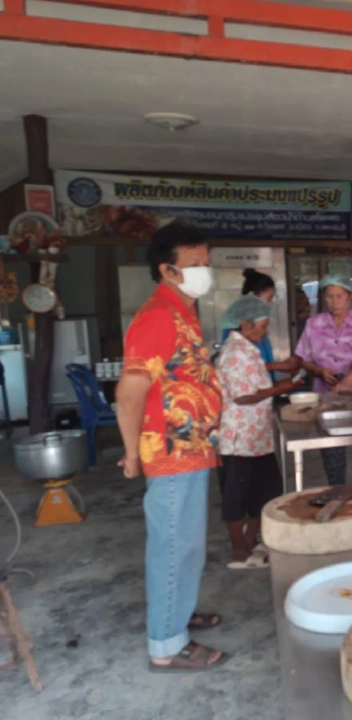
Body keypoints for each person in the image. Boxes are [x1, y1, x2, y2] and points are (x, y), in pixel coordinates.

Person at [116, 222, 227, 673]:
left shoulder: (184, 312)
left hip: (191, 448)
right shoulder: (159, 316)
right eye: (195, 264)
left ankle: (177, 616)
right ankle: (166, 642)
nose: (205, 271)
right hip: (169, 452)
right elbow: (129, 391)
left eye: (206, 262)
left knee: (188, 544)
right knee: (175, 545)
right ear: (168, 270)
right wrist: (130, 453)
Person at [217, 295, 304, 569]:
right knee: (237, 496)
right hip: (238, 439)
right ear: (245, 323)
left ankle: (253, 538)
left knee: (265, 490)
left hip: (257, 435)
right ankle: (238, 549)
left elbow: (255, 376)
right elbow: (243, 396)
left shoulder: (247, 348)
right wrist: (281, 388)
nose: (265, 331)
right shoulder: (233, 353)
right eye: (262, 326)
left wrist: (279, 379)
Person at [293, 274, 352, 490]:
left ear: (350, 296)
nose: (335, 301)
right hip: (326, 398)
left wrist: (349, 381)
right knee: (333, 455)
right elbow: (304, 360)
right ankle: (337, 497)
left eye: (340, 296)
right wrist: (320, 371)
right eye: (330, 296)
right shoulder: (314, 324)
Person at [218, 268, 300, 381]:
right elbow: (244, 366)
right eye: (269, 298)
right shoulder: (237, 336)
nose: (270, 303)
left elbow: (258, 361)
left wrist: (281, 366)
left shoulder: (255, 328)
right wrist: (279, 366)